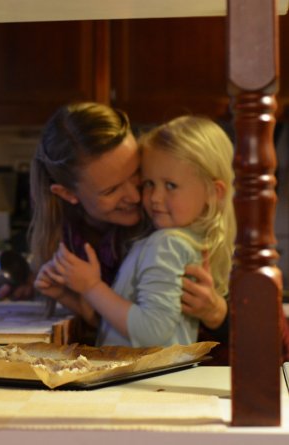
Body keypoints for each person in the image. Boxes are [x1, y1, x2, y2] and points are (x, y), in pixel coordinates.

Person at [40, 115, 235, 347]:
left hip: (150, 380)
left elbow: (152, 331)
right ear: (68, 194)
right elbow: (117, 321)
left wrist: (92, 287)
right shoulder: (163, 239)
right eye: (149, 183)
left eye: (170, 185)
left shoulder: (167, 244)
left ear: (214, 192)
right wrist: (69, 296)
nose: (152, 198)